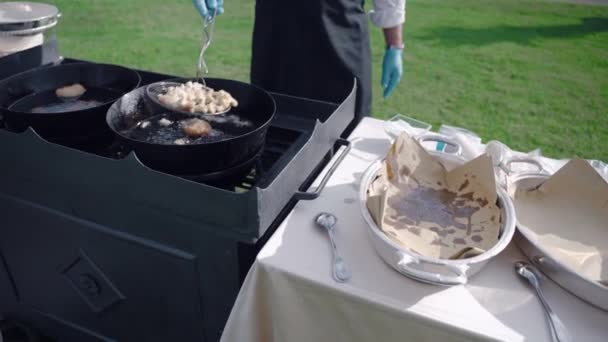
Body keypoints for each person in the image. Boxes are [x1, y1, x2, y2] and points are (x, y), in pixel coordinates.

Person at [193, 0, 405, 129]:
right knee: (276, 131)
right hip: (276, 39)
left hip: (341, 37)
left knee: (346, 134)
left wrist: (394, 46)